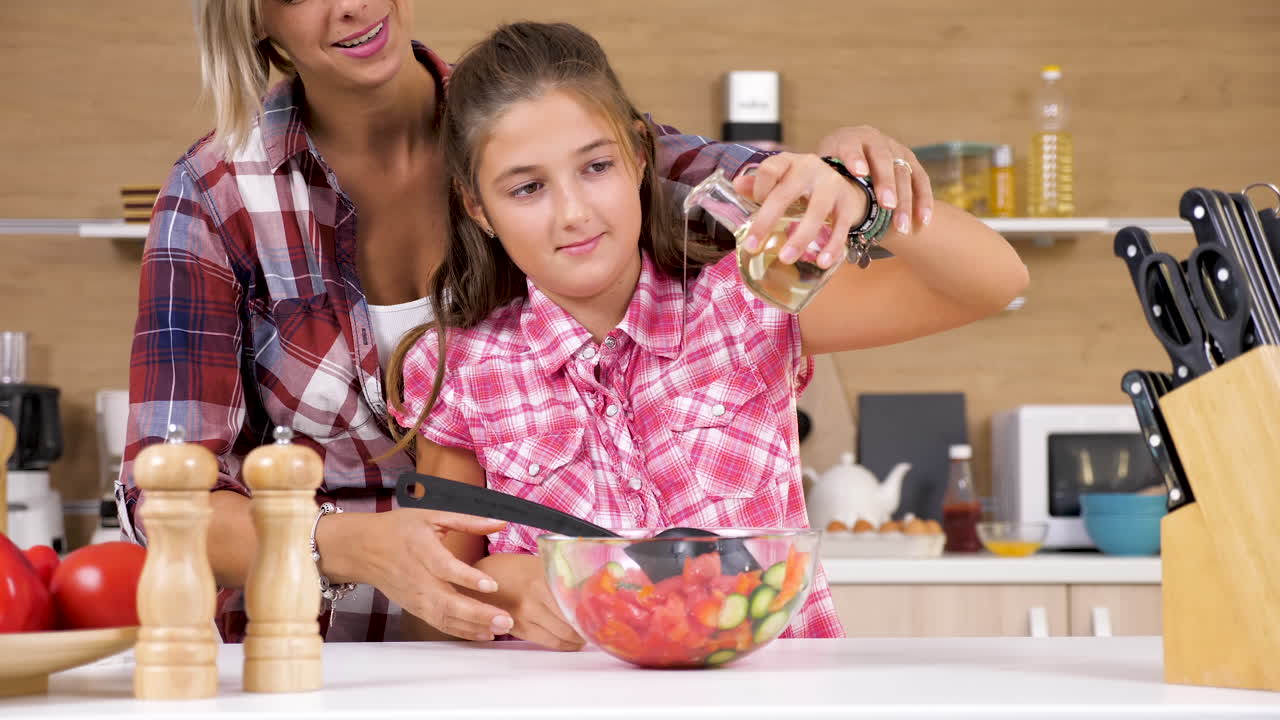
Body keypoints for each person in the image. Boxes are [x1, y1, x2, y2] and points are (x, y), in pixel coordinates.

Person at [115, 0, 942, 644]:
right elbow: (161, 498)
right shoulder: (219, 196)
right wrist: (344, 543)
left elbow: (779, 194)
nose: (352, 7)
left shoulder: (534, 122)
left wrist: (849, 167)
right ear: (252, 17)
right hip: (314, 655)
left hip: (545, 658)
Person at [386, 21, 1029, 650]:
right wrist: (503, 584)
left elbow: (994, 282)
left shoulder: (746, 303)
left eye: (597, 166)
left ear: (639, 155)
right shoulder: (467, 370)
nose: (573, 212)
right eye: (527, 187)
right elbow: (433, 600)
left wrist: (866, 204)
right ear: (478, 208)